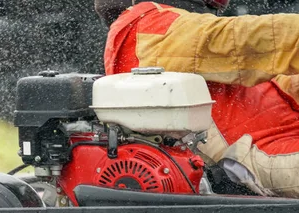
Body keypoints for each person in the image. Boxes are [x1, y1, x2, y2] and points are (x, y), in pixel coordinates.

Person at [94, 0, 299, 197]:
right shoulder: (149, 25)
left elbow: (273, 82)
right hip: (258, 153)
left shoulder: (179, 33)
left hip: (281, 138)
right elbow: (247, 40)